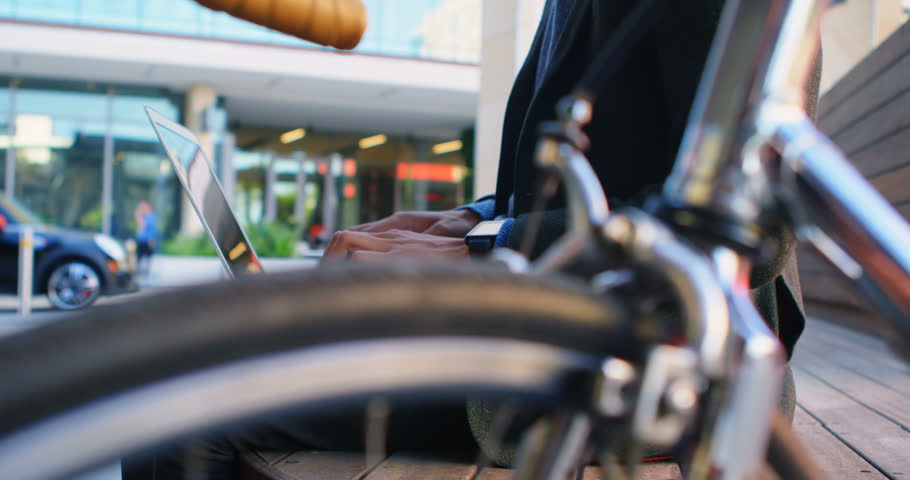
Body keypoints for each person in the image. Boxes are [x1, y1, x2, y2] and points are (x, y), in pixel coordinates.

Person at [125, 0, 819, 476]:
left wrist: (491, 249)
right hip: (549, 329)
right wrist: (466, 220)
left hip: (641, 365)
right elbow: (601, 173)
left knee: (185, 407)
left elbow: (744, 220)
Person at [135, 201, 158, 277]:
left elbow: (144, 225)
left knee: (146, 257)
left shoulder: (150, 217)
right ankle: (141, 271)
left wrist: (138, 216)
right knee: (140, 257)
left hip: (146, 241)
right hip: (141, 240)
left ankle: (145, 272)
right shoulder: (145, 217)